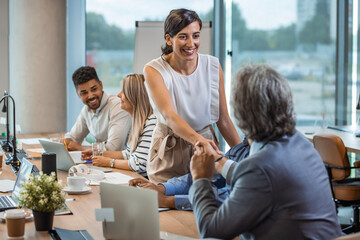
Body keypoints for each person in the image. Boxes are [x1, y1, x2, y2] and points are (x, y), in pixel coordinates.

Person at [189, 64, 343, 239]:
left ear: (240, 115)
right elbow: (264, 179)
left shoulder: (259, 167)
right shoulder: (300, 143)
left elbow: (212, 231)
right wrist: (219, 162)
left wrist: (200, 178)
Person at [144, 8, 241, 184]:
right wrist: (200, 142)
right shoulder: (154, 70)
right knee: (166, 204)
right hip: (170, 151)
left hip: (206, 150)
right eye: (183, 36)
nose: (191, 44)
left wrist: (244, 156)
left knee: (205, 203)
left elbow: (223, 118)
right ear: (169, 39)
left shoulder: (212, 65)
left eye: (195, 36)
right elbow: (170, 116)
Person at [129, 139, 249, 210]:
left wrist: (168, 201)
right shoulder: (240, 149)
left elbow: (230, 198)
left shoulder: (261, 159)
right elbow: (197, 178)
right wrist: (161, 189)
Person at [82, 74, 156, 177]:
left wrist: (109, 162)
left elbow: (139, 165)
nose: (118, 94)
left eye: (123, 92)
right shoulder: (139, 122)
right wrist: (100, 153)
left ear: (134, 96)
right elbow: (128, 154)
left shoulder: (151, 122)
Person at [65, 66, 132, 151]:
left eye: (94, 89)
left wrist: (80, 148)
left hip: (119, 161)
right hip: (100, 161)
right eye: (84, 93)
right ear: (78, 94)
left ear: (101, 85)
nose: (90, 96)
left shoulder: (118, 106)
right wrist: (66, 142)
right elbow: (73, 137)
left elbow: (114, 148)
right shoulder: (86, 110)